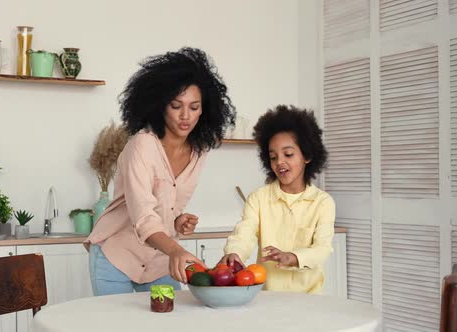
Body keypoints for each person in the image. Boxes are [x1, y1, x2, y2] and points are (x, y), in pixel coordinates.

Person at [85, 47, 236, 295]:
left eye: (194, 107)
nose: (186, 116)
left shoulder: (199, 152)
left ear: (205, 109)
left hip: (159, 262)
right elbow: (143, 215)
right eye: (176, 106)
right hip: (116, 257)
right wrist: (175, 249)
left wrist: (176, 221)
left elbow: (167, 204)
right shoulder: (142, 146)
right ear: (160, 105)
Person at [219, 105, 335, 293]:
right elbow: (245, 233)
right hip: (267, 299)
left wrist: (294, 257)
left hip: (310, 299)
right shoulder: (258, 198)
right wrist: (234, 253)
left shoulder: (323, 202)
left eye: (288, 154)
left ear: (306, 155)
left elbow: (322, 250)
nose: (279, 162)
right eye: (273, 157)